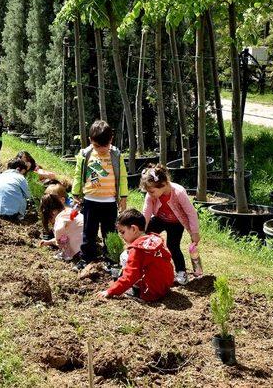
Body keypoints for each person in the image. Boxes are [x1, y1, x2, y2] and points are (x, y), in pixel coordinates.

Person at [71, 120, 129, 270]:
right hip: (90, 200)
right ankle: (87, 258)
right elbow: (78, 175)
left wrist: (123, 197)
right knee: (88, 232)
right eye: (98, 146)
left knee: (109, 232)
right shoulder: (85, 154)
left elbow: (122, 177)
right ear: (91, 141)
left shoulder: (116, 155)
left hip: (109, 202)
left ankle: (111, 259)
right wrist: (76, 192)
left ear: (111, 140)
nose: (102, 149)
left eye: (105, 146)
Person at [141, 164, 200, 285]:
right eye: (148, 192)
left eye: (152, 191)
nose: (150, 194)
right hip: (159, 219)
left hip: (176, 223)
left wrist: (194, 232)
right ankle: (146, 265)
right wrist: (142, 231)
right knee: (146, 238)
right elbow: (146, 213)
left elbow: (191, 213)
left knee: (173, 246)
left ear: (163, 184)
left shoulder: (178, 192)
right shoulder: (151, 194)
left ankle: (181, 272)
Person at [97, 209, 174, 302]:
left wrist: (110, 291)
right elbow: (168, 257)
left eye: (122, 232)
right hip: (166, 284)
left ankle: (138, 291)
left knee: (124, 256)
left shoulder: (137, 249)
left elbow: (131, 276)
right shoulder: (154, 238)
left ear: (134, 229)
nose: (121, 236)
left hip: (152, 291)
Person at [38, 193, 83, 261]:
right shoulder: (69, 211)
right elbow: (66, 236)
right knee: (63, 238)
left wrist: (57, 239)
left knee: (62, 240)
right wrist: (48, 242)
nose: (52, 222)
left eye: (50, 219)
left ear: (53, 212)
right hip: (89, 241)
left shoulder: (60, 217)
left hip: (79, 249)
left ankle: (67, 254)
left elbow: (59, 230)